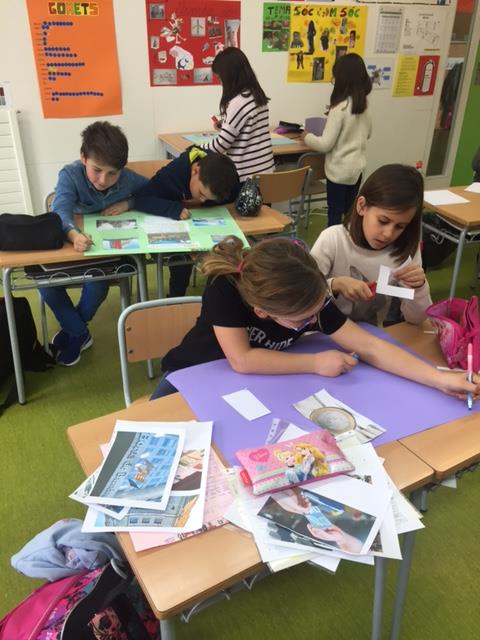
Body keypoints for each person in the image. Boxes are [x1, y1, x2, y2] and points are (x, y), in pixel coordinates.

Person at [151, 235, 479, 402]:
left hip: (249, 386)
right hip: (189, 377)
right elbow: (242, 359)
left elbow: (370, 346)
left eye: (316, 311)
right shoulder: (225, 288)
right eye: (301, 321)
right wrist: (316, 362)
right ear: (262, 311)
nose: (312, 322)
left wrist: (439, 378)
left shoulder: (309, 297)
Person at [40, 121, 149, 367]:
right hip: (72, 244)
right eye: (97, 170)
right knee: (45, 285)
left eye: (112, 173)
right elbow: (60, 209)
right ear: (83, 158)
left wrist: (128, 204)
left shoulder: (127, 178)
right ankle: (79, 332)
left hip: (103, 254)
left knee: (98, 282)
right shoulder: (70, 175)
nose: (103, 180)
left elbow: (152, 191)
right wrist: (73, 234)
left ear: (122, 169)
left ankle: (74, 331)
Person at [310, 164, 432, 326]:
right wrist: (335, 284)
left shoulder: (405, 250)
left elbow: (416, 319)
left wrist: (419, 288)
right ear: (362, 206)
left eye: (400, 226)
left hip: (370, 330)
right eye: (383, 221)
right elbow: (301, 296)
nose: (388, 234)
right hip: (323, 329)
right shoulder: (333, 239)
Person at [134, 146, 239, 296]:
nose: (202, 199)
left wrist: (205, 204)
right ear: (195, 170)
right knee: (181, 256)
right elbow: (141, 199)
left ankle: (220, 293)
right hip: (179, 232)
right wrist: (174, 209)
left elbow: (236, 196)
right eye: (201, 193)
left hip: (209, 227)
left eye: (208, 198)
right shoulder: (174, 172)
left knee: (229, 253)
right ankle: (176, 296)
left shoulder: (225, 178)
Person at [302, 53, 372, 227]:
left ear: (341, 79)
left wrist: (307, 137)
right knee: (349, 214)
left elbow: (325, 144)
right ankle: (348, 241)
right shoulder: (363, 105)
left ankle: (333, 243)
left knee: (334, 213)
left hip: (339, 172)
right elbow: (368, 133)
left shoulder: (339, 107)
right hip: (356, 170)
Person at [201, 47, 275, 181]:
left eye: (220, 78)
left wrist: (197, 149)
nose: (220, 83)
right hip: (267, 172)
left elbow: (222, 144)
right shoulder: (257, 95)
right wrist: (225, 125)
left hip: (247, 178)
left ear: (230, 76)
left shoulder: (238, 102)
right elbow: (249, 128)